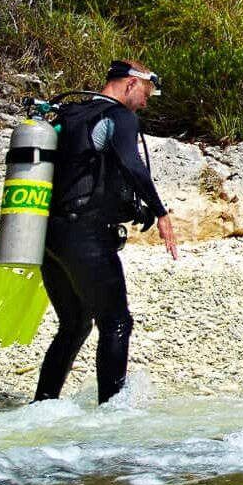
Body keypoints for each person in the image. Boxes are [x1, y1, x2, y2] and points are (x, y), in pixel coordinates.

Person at [35, 59, 179, 403]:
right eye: (146, 93)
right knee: (116, 322)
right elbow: (132, 164)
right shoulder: (119, 116)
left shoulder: (71, 115)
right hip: (85, 235)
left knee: (76, 323)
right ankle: (111, 412)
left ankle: (43, 404)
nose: (146, 102)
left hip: (47, 236)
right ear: (130, 84)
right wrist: (161, 213)